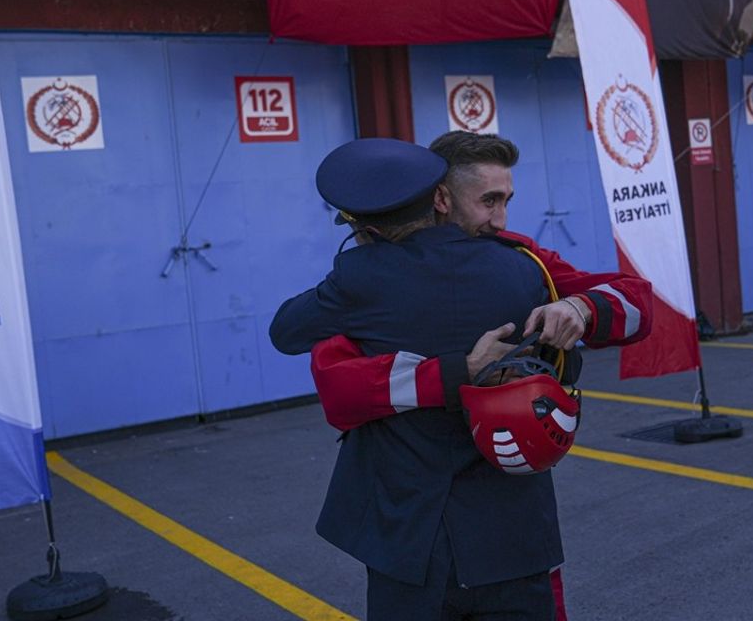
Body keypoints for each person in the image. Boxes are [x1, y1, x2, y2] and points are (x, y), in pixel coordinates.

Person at [305, 132, 654, 619]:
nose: (501, 219)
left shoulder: (522, 258)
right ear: (441, 198)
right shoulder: (370, 275)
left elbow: (638, 303)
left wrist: (582, 307)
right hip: (409, 536)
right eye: (489, 201)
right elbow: (338, 389)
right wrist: (457, 374)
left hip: (507, 531)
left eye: (507, 200)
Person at [270, 137, 577, 620]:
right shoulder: (522, 269)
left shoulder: (358, 280)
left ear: (363, 226)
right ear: (438, 200)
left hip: (409, 541)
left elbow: (285, 331)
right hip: (514, 536)